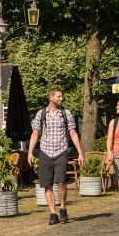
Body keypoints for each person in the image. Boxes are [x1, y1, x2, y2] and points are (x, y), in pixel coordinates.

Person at [26, 88, 85, 225]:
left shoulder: (66, 113)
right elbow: (35, 133)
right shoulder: (41, 114)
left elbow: (73, 133)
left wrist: (80, 153)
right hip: (45, 152)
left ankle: (63, 208)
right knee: (47, 184)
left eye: (61, 96)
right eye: (58, 96)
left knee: (61, 182)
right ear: (50, 97)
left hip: (61, 152)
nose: (61, 99)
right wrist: (30, 152)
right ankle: (53, 213)